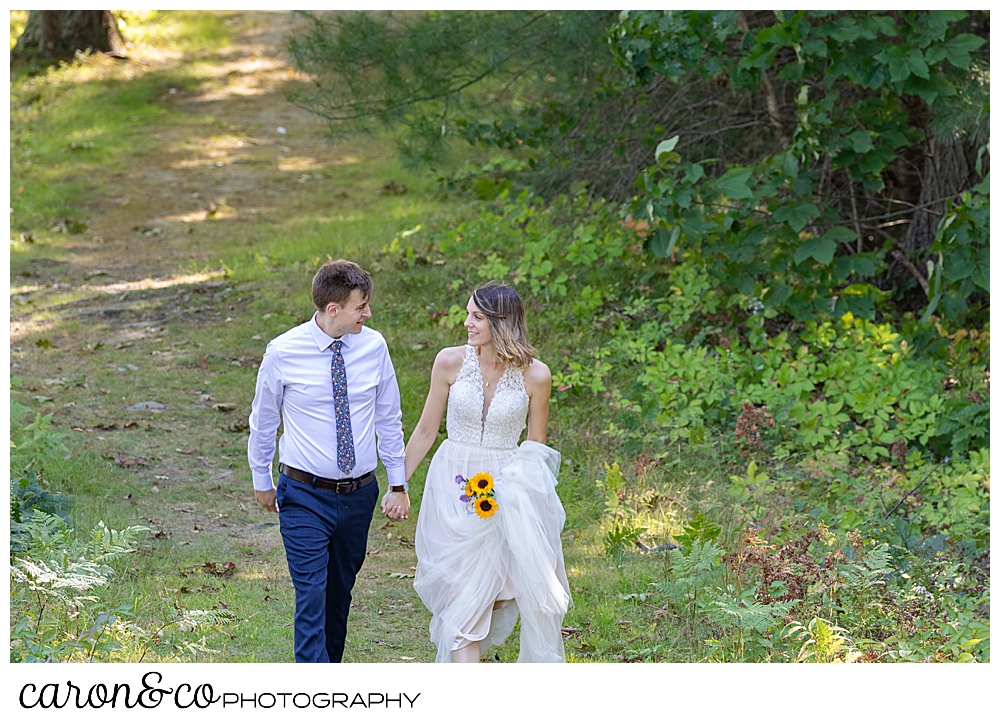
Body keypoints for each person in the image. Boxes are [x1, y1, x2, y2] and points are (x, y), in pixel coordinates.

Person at [247, 259, 410, 663]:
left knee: (339, 597)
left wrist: (398, 483)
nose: (367, 314)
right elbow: (264, 420)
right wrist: (261, 478)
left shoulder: (374, 347)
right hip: (304, 492)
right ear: (333, 309)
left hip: (359, 496)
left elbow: (389, 417)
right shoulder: (283, 352)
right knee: (311, 595)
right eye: (361, 306)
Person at [405, 282, 571, 663]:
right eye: (468, 314)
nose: (467, 323)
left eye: (476, 316)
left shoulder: (536, 376)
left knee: (501, 592)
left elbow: (535, 447)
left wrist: (530, 508)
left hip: (505, 490)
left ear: (502, 322)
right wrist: (398, 484)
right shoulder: (449, 362)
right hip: (453, 486)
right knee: (464, 598)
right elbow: (427, 430)